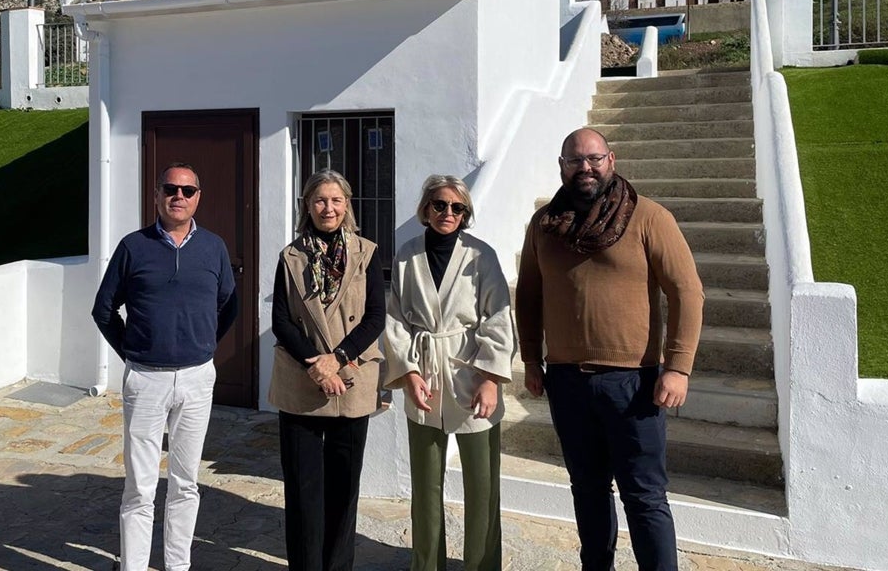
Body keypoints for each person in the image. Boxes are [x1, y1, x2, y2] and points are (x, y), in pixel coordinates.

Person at [516, 128, 704, 571]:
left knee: (644, 496)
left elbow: (687, 292)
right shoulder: (544, 224)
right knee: (587, 489)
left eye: (594, 158)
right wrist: (530, 357)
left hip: (634, 383)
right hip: (566, 380)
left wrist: (678, 367)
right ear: (561, 166)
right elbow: (528, 295)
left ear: (611, 160)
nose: (585, 168)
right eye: (575, 161)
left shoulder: (649, 217)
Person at [92, 162, 237, 571]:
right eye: (170, 189)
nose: (179, 196)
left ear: (198, 198)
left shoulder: (214, 247)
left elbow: (229, 306)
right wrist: (134, 351)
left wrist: (202, 344)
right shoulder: (132, 247)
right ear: (156, 195)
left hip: (196, 379)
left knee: (186, 482)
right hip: (145, 379)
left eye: (187, 191)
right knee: (139, 486)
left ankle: (177, 565)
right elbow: (104, 310)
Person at [383, 175, 515, 571]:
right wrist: (407, 372)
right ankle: (426, 565)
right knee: (425, 486)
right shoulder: (406, 256)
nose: (448, 213)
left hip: (471, 373)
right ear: (426, 209)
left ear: (466, 214)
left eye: (458, 208)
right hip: (423, 374)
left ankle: (482, 564)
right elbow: (396, 318)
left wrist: (491, 379)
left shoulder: (481, 257)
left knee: (482, 485)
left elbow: (499, 319)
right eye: (440, 205)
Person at [268, 169, 386, 571]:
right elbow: (281, 321)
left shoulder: (367, 253)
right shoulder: (291, 256)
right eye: (320, 200)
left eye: (336, 200)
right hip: (302, 383)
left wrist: (337, 359)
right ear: (308, 206)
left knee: (343, 486)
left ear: (347, 205)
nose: (328, 208)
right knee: (302, 489)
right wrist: (316, 366)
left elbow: (374, 318)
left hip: (350, 379)